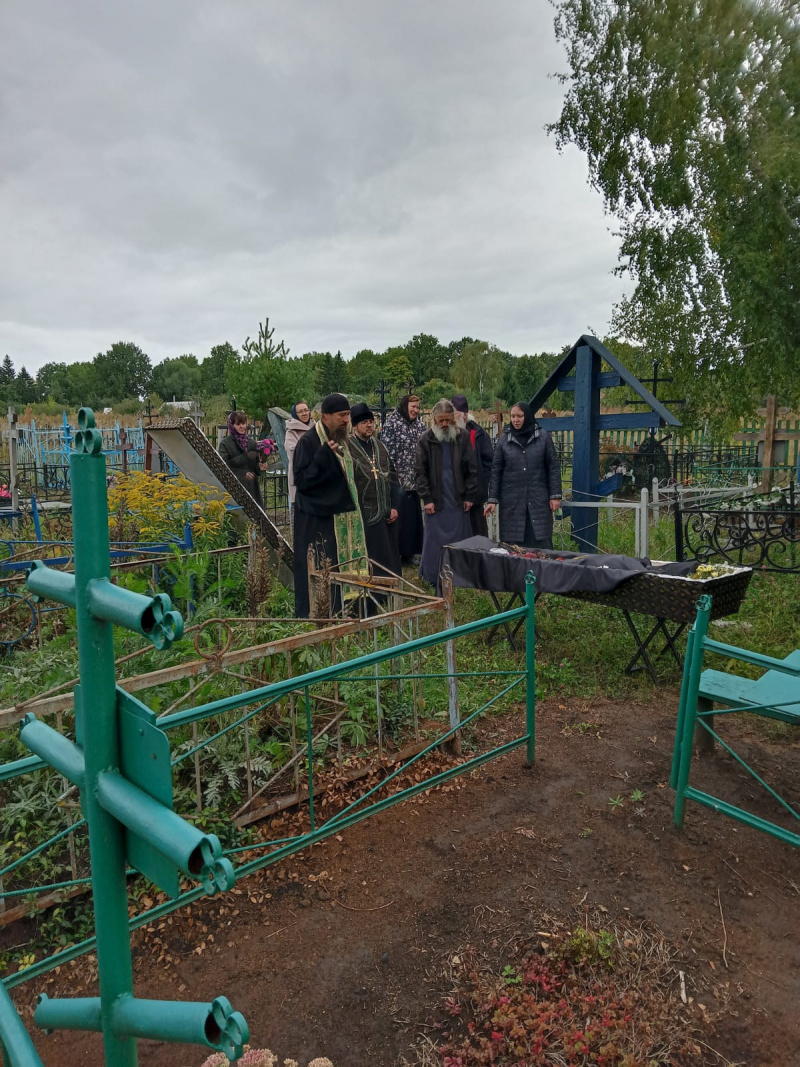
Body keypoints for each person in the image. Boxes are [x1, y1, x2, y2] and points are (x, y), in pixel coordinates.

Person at [292, 393, 367, 618]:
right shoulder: (308, 442)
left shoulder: (341, 438)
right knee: (321, 570)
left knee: (337, 568)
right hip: (317, 520)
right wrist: (323, 456)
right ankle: (319, 617)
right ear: (326, 416)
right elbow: (302, 481)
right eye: (342, 415)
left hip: (339, 516)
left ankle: (346, 613)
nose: (346, 420)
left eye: (348, 415)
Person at [415, 398, 477, 586]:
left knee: (459, 540)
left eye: (447, 420)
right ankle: (433, 576)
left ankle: (460, 577)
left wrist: (469, 496)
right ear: (434, 419)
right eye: (440, 420)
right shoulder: (426, 439)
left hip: (457, 499)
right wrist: (426, 498)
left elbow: (472, 469)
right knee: (434, 541)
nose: (443, 424)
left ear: (452, 418)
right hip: (436, 500)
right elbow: (420, 472)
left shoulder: (462, 437)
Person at [484, 401, 562, 548]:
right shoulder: (504, 440)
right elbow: (496, 471)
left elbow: (553, 467)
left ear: (527, 416)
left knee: (540, 547)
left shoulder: (543, 437)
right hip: (512, 503)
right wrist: (492, 500)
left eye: (519, 416)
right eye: (513, 416)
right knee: (514, 549)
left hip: (538, 500)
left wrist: (555, 496)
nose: (515, 420)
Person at [348, 402, 402, 584]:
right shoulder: (348, 448)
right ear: (355, 426)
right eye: (364, 422)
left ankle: (391, 586)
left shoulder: (380, 447)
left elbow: (393, 479)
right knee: (371, 557)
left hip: (386, 513)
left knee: (389, 555)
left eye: (371, 421)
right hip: (364, 514)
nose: (369, 425)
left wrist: (395, 506)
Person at [380, 394, 426, 565]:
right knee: (398, 518)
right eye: (412, 407)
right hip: (397, 480)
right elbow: (386, 451)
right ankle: (396, 553)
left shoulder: (420, 426)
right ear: (405, 406)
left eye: (418, 407)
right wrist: (393, 476)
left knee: (412, 519)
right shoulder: (392, 424)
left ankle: (410, 553)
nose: (415, 410)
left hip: (414, 481)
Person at [451, 395, 494, 537]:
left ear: (464, 415)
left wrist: (481, 483)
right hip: (454, 498)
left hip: (475, 497)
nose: (453, 418)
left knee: (478, 535)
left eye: (456, 414)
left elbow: (489, 463)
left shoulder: (479, 434)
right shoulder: (447, 434)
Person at [218, 410, 267, 508]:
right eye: (238, 424)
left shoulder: (251, 443)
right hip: (234, 489)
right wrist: (243, 473)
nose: (242, 426)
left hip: (252, 489)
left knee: (254, 514)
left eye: (243, 423)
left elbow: (255, 467)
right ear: (231, 425)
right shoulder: (225, 444)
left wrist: (260, 466)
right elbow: (223, 466)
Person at [284, 400, 313, 516]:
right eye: (300, 412)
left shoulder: (317, 428)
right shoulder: (291, 432)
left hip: (317, 477)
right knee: (301, 516)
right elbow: (296, 452)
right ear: (295, 414)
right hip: (301, 477)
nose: (304, 413)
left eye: (306, 410)